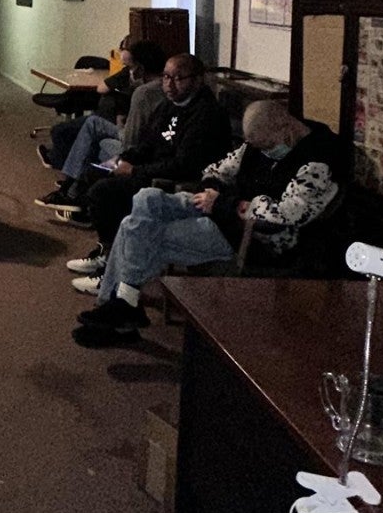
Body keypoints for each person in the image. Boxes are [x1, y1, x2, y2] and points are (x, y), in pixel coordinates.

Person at [71, 100, 346, 346]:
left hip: (245, 235)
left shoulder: (318, 162)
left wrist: (228, 204)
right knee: (146, 198)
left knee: (134, 228)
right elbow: (215, 170)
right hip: (220, 210)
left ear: (284, 129)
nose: (260, 152)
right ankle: (124, 305)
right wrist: (215, 191)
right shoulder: (261, 141)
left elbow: (286, 215)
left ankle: (119, 306)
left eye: (264, 146)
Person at [52, 52, 233, 241]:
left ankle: (111, 247)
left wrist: (135, 171)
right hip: (151, 168)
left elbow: (184, 164)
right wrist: (123, 159)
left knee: (103, 190)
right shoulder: (169, 105)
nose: (169, 84)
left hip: (171, 179)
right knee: (94, 172)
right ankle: (91, 220)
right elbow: (147, 143)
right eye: (166, 77)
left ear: (197, 80)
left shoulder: (207, 114)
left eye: (178, 79)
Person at [36, 40, 167, 196]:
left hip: (138, 147)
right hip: (154, 144)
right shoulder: (165, 85)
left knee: (92, 132)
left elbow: (129, 140)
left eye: (130, 67)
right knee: (92, 123)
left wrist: (121, 125)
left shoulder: (144, 93)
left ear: (140, 68)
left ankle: (71, 189)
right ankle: (73, 185)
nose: (129, 72)